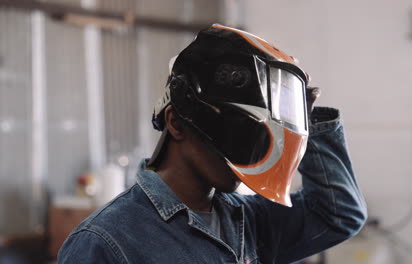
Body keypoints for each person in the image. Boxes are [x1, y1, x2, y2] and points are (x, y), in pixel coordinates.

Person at [58, 24, 367, 264]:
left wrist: (308, 122)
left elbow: (338, 214)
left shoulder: (247, 220)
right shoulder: (107, 241)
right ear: (177, 123)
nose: (248, 160)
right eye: (240, 137)